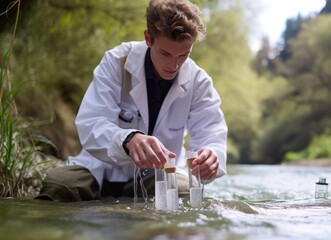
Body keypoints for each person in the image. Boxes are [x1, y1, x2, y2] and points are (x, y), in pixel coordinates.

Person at [36, 0, 227, 202]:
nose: (174, 65)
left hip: (158, 175)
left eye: (183, 55)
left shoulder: (199, 81)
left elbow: (211, 134)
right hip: (100, 166)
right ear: (148, 38)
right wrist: (128, 140)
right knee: (58, 185)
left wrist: (211, 156)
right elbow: (90, 123)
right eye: (165, 53)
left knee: (183, 195)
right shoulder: (116, 62)